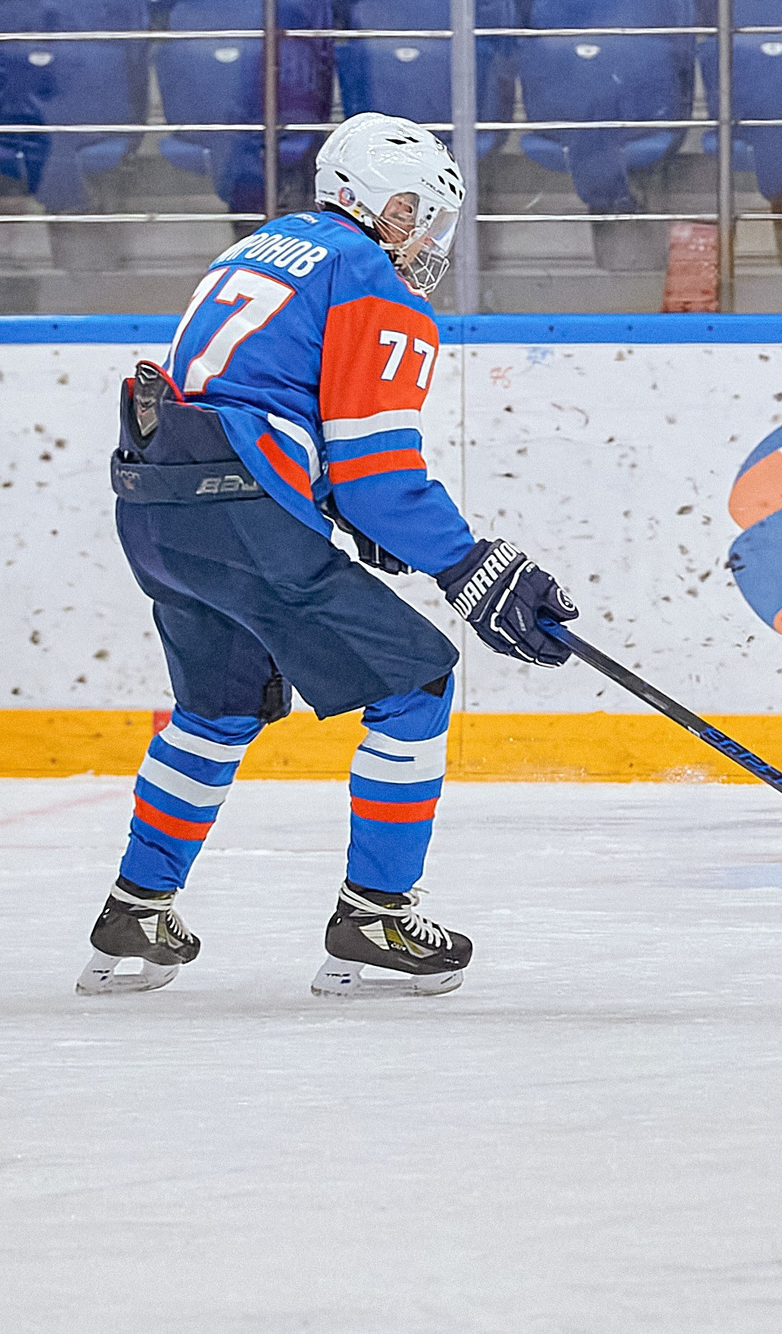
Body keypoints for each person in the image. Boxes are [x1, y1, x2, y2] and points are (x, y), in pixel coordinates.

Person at [80, 114, 578, 999]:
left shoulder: (265, 245)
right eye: (421, 213)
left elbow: (260, 399)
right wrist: (467, 562)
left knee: (217, 709)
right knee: (417, 683)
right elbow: (375, 468)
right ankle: (376, 915)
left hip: (160, 506)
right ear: (384, 203)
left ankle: (136, 907)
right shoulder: (368, 276)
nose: (426, 238)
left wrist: (351, 513)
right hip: (243, 511)